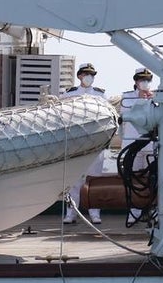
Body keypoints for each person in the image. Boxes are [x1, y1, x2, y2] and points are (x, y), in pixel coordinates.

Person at [60, 63, 106, 224]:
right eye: (86, 74)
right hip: (76, 143)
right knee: (73, 181)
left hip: (95, 142)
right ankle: (71, 213)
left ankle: (95, 214)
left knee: (94, 180)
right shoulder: (69, 95)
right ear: (79, 76)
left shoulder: (100, 95)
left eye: (92, 75)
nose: (89, 77)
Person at [120, 67, 156, 223]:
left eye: (148, 80)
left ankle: (152, 210)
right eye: (142, 80)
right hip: (132, 143)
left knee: (152, 178)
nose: (145, 83)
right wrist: (140, 99)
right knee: (132, 178)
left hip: (150, 143)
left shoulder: (157, 97)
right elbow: (125, 113)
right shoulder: (127, 97)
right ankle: (133, 212)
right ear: (136, 81)